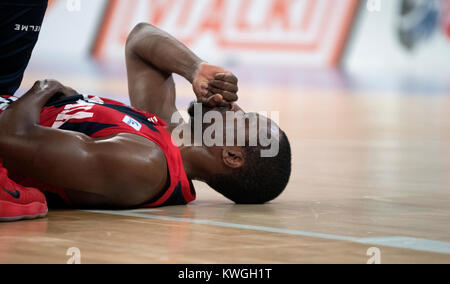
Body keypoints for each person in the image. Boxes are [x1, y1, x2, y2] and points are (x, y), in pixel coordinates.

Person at [0, 23, 292, 222]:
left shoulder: (144, 163)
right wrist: (196, 70)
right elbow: (140, 40)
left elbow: (11, 140)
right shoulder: (167, 131)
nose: (233, 105)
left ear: (231, 155)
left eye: (242, 118)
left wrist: (45, 88)